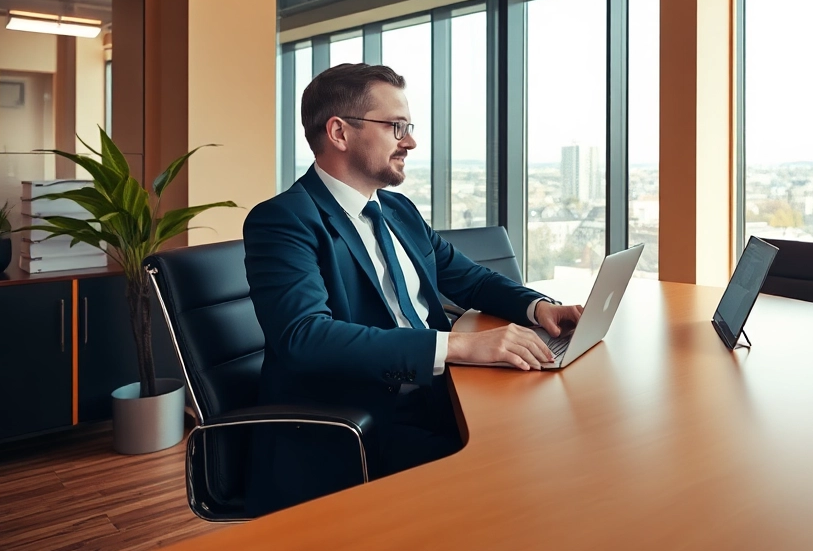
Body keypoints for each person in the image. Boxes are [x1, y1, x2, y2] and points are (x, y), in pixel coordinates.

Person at [243, 63, 583, 516]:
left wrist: (537, 307)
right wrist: (460, 346)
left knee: (566, 435)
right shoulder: (284, 220)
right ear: (340, 132)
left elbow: (469, 277)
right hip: (364, 421)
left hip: (440, 392)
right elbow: (304, 337)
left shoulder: (397, 210)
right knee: (523, 479)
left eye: (409, 127)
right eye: (396, 126)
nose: (410, 142)